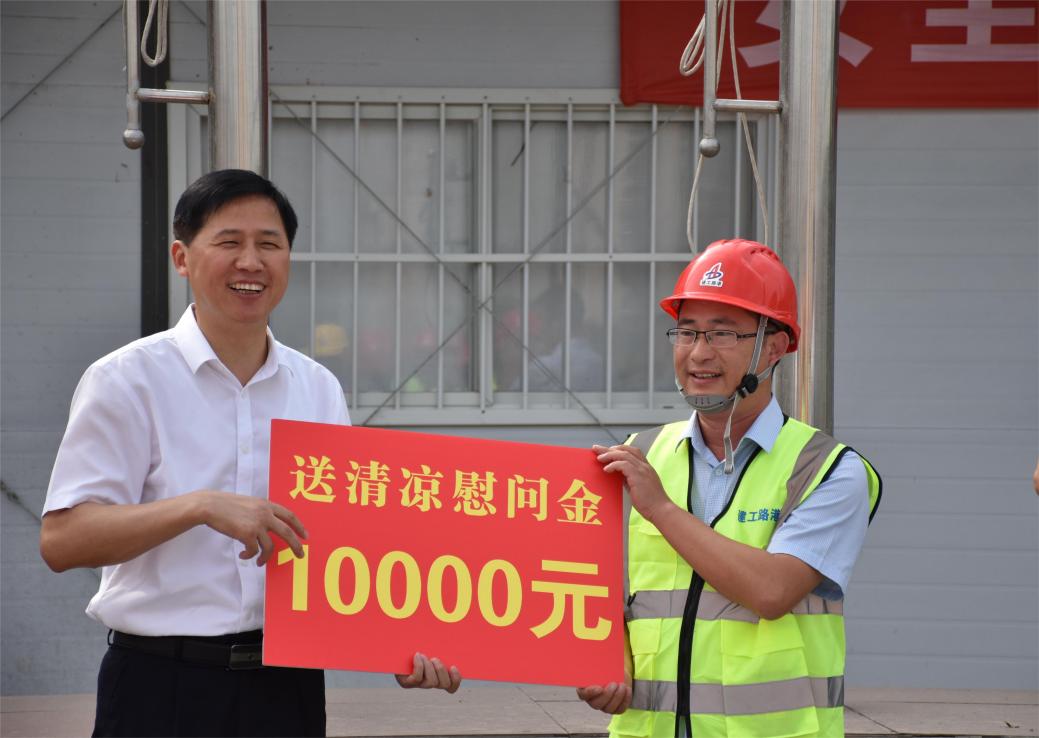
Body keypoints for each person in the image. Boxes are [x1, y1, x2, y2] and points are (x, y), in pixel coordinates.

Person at [39, 169, 461, 738]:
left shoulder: (317, 388)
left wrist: (399, 643)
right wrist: (201, 506)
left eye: (269, 244)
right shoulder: (127, 380)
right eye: (229, 242)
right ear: (182, 257)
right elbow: (63, 541)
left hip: (286, 690)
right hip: (160, 686)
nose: (251, 262)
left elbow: (350, 544)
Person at [577, 239, 881, 738]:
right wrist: (612, 660)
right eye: (687, 332)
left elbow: (772, 591)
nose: (699, 353)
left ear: (774, 347)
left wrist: (661, 509)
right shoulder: (640, 455)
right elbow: (596, 590)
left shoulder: (827, 470)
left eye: (722, 333)